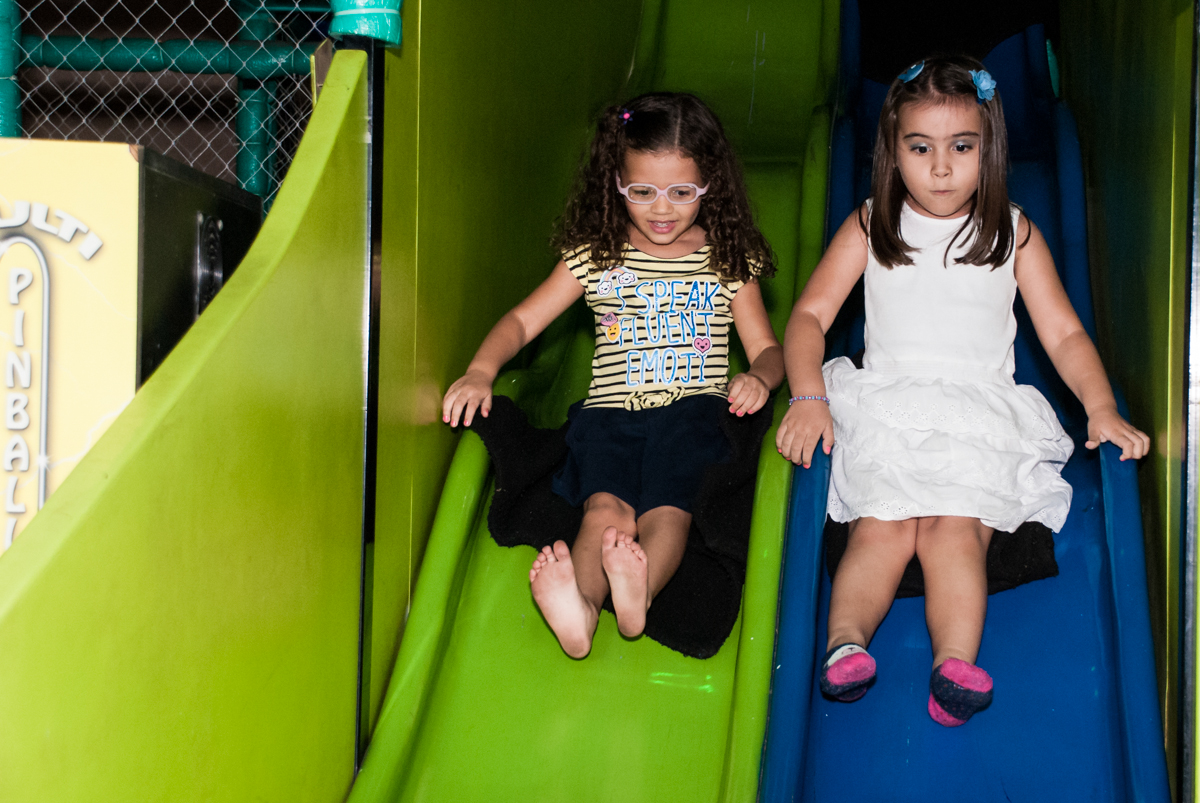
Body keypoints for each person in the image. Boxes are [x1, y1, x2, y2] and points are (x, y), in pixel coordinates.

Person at [776, 56, 1149, 725]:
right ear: (893, 150)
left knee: (957, 533)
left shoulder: (1013, 232)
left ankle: (953, 666)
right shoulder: (871, 224)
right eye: (920, 148)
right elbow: (808, 316)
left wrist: (1100, 406)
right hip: (889, 404)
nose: (941, 168)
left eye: (962, 147)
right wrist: (808, 395)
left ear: (990, 148)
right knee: (881, 526)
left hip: (977, 411)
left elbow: (1065, 333)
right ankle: (845, 645)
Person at [442, 92, 784, 659]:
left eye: (681, 192)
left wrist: (761, 379)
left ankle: (637, 595)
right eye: (642, 191)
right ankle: (580, 608)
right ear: (616, 183)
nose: (661, 209)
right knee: (604, 512)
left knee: (668, 508)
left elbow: (767, 349)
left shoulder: (726, 260)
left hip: (693, 410)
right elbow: (523, 321)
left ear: (710, 185)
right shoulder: (596, 255)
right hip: (609, 415)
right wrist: (481, 370)